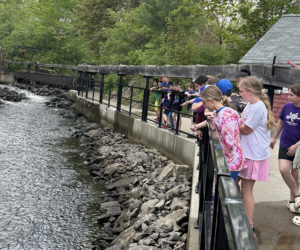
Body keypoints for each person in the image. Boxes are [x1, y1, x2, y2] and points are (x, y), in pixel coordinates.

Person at [238, 76, 276, 233]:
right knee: (233, 183)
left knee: (246, 189)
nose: (239, 94)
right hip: (247, 152)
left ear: (250, 91)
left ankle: (248, 223)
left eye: (240, 91)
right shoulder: (250, 105)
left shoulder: (258, 107)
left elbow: (246, 129)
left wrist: (231, 122)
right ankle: (237, 214)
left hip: (253, 154)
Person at [190, 85, 247, 179]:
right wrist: (197, 126)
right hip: (230, 158)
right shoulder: (224, 112)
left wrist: (215, 140)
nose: (204, 106)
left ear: (211, 100)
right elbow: (212, 121)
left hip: (232, 160)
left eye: (204, 103)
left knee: (227, 188)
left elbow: (230, 142)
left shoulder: (225, 116)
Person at [270, 84, 300, 215]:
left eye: (291, 95)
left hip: (298, 147)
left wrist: (297, 145)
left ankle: (292, 201)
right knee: (284, 170)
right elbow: (281, 122)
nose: (288, 97)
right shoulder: (287, 106)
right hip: (284, 144)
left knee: (294, 173)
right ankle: (298, 194)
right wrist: (274, 137)